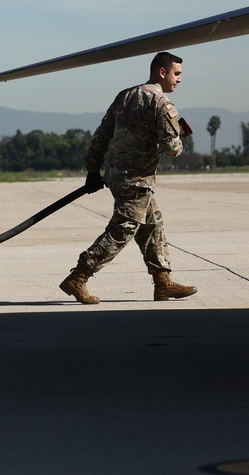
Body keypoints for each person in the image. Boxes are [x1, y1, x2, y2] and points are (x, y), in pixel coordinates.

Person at [59, 51, 197, 304]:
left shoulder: (125, 96)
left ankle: (162, 281)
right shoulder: (162, 104)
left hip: (117, 175)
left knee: (153, 225)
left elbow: (101, 135)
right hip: (136, 179)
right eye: (177, 74)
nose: (179, 80)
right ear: (162, 72)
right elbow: (172, 149)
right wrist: (179, 136)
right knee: (123, 229)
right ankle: (79, 276)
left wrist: (93, 170)